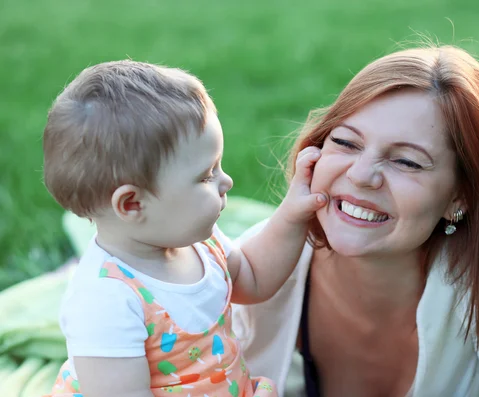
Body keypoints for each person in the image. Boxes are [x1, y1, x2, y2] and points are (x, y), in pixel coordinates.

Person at [232, 45, 479, 396]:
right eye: (346, 142)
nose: (361, 175)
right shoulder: (259, 264)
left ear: (460, 196)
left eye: (407, 162)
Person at [41, 60, 326, 397]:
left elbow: (254, 279)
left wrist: (293, 213)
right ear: (132, 204)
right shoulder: (106, 300)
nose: (227, 181)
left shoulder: (198, 243)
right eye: (207, 175)